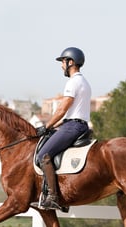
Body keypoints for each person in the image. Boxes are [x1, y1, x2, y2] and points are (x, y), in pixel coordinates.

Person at [32, 47, 91, 210]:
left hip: (73, 126)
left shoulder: (73, 82)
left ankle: (53, 197)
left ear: (70, 62)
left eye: (63, 62)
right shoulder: (84, 82)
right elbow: (69, 114)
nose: (61, 66)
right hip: (75, 124)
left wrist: (47, 126)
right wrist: (54, 126)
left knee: (44, 155)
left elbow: (62, 109)